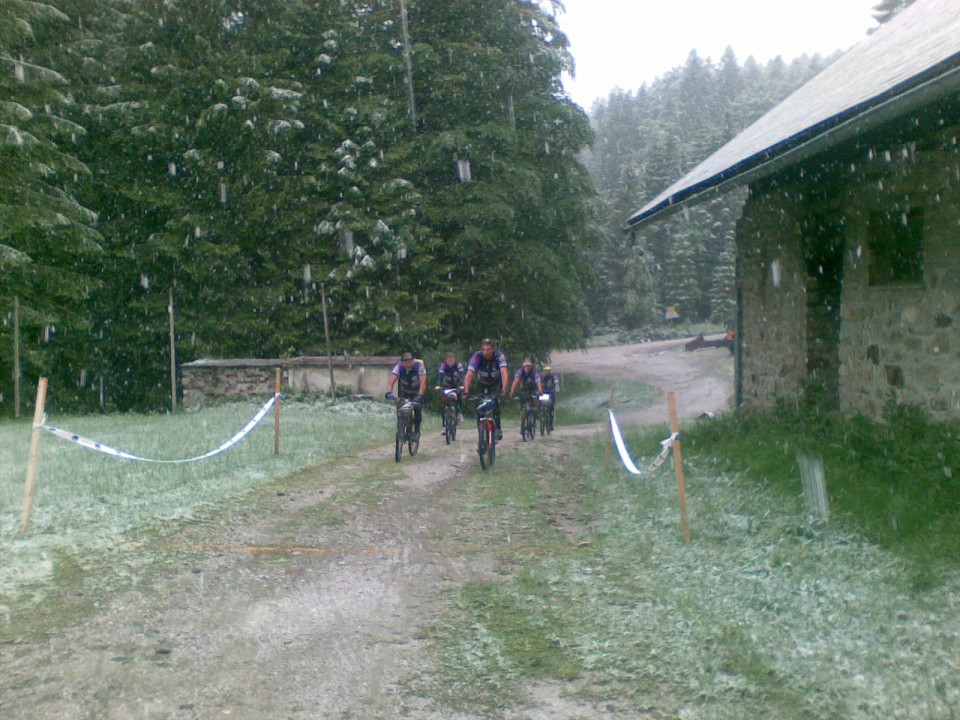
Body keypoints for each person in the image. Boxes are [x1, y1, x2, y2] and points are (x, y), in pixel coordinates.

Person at [463, 338, 509, 440]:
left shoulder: (499, 356)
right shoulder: (477, 356)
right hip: (482, 384)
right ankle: (481, 435)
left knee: (495, 403)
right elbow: (469, 374)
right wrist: (466, 390)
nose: (486, 352)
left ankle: (497, 428)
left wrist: (504, 389)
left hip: (495, 384)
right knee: (479, 407)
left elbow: (504, 373)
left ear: (493, 349)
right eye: (483, 349)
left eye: (488, 349)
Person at [385, 351, 427, 441]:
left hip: (417, 392)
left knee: (417, 410)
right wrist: (389, 392)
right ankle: (400, 430)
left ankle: (416, 431)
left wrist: (420, 395)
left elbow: (423, 382)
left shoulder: (419, 366)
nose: (408, 364)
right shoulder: (399, 367)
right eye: (406, 362)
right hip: (404, 393)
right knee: (400, 412)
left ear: (413, 361)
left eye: (410, 362)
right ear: (402, 362)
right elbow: (392, 381)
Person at [509, 358, 542, 439]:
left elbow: (538, 382)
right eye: (525, 366)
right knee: (523, 409)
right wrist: (511, 393)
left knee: (536, 399)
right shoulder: (520, 372)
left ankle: (536, 412)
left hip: (533, 389)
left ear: (530, 366)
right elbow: (515, 382)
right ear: (523, 366)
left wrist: (540, 390)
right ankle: (523, 425)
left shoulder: (534, 372)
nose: (527, 367)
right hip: (524, 390)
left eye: (528, 366)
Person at [436, 351, 466, 422]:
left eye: (452, 360)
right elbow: (440, 376)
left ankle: (459, 413)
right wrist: (438, 385)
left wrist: (463, 385)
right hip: (446, 386)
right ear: (446, 361)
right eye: (449, 360)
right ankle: (444, 422)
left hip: (456, 386)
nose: (450, 362)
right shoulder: (443, 366)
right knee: (442, 401)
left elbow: (462, 376)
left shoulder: (458, 365)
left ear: (455, 360)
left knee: (459, 396)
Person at [540, 365, 557, 431]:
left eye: (548, 371)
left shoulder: (553, 377)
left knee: (551, 408)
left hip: (551, 393)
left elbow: (556, 384)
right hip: (544, 393)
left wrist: (556, 390)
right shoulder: (542, 378)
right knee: (541, 404)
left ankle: (551, 424)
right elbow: (539, 385)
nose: (547, 372)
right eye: (546, 371)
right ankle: (541, 415)